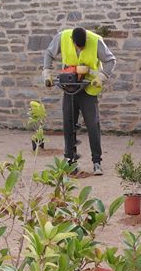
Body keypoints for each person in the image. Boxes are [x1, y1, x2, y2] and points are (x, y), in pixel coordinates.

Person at [43, 26, 116, 175]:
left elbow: (111, 61)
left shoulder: (96, 41)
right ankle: (70, 160)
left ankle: (97, 162)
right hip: (69, 88)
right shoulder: (63, 37)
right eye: (78, 46)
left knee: (92, 125)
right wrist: (47, 74)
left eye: (83, 46)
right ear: (72, 40)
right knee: (68, 124)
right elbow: (49, 54)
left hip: (89, 88)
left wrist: (101, 77)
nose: (80, 48)